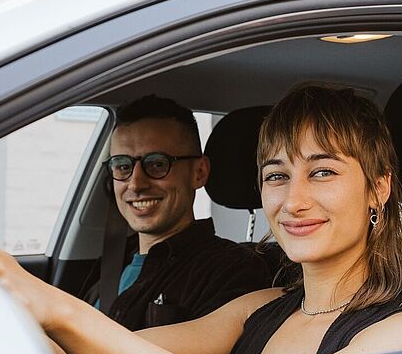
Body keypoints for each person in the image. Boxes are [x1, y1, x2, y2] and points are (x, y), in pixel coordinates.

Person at [0, 85, 402, 354]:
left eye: (322, 173)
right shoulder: (259, 307)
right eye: (277, 176)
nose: (293, 201)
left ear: (379, 187)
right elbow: (124, 350)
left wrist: (55, 306)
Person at [88, 94, 269, 330]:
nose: (135, 184)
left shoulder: (232, 270)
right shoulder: (108, 265)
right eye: (123, 166)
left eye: (157, 164)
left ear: (199, 172)